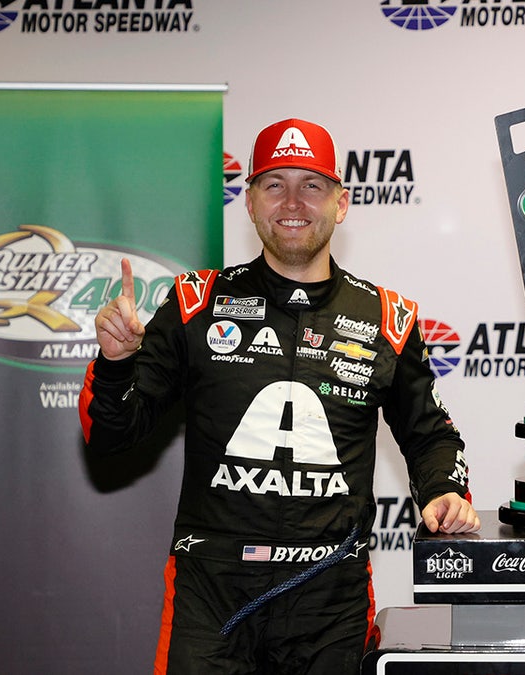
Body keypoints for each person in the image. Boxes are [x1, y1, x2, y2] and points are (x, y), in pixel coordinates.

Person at [79, 117, 480, 674]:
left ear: (340, 203)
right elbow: (111, 434)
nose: (292, 201)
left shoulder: (387, 317)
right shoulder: (196, 303)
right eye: (274, 184)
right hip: (211, 591)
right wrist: (117, 364)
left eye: (311, 185)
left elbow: (430, 433)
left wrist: (443, 490)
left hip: (329, 598)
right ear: (249, 203)